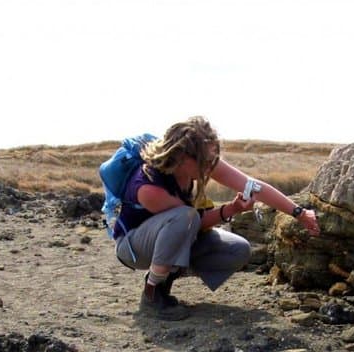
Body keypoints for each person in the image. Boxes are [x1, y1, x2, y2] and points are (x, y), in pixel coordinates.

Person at [113, 116, 321, 321]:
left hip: (172, 237)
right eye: (206, 160)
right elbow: (192, 222)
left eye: (213, 159)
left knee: (238, 249)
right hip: (133, 248)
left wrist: (299, 213)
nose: (211, 165)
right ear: (183, 156)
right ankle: (151, 294)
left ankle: (164, 275)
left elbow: (253, 187)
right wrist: (230, 209)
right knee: (184, 217)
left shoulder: (198, 164)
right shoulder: (149, 187)